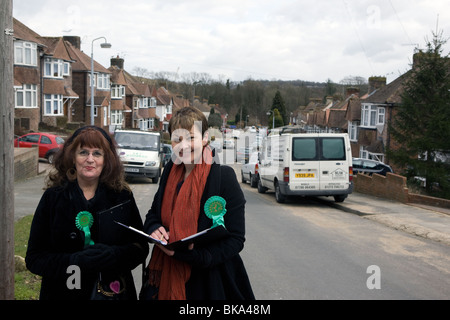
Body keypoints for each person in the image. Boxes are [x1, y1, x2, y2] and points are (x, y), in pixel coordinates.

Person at [142, 106, 255, 300]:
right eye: (178, 138)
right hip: (164, 277)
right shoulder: (169, 172)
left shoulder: (223, 177)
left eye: (191, 138)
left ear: (204, 138)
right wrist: (154, 228)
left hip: (209, 282)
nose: (184, 145)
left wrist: (198, 256)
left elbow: (236, 238)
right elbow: (154, 214)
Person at [25, 126, 149, 300]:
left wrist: (114, 256)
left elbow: (140, 247)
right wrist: (73, 262)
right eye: (83, 152)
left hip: (111, 294)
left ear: (106, 159)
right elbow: (34, 258)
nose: (90, 159)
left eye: (97, 153)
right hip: (62, 293)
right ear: (72, 157)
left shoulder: (121, 196)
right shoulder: (53, 198)